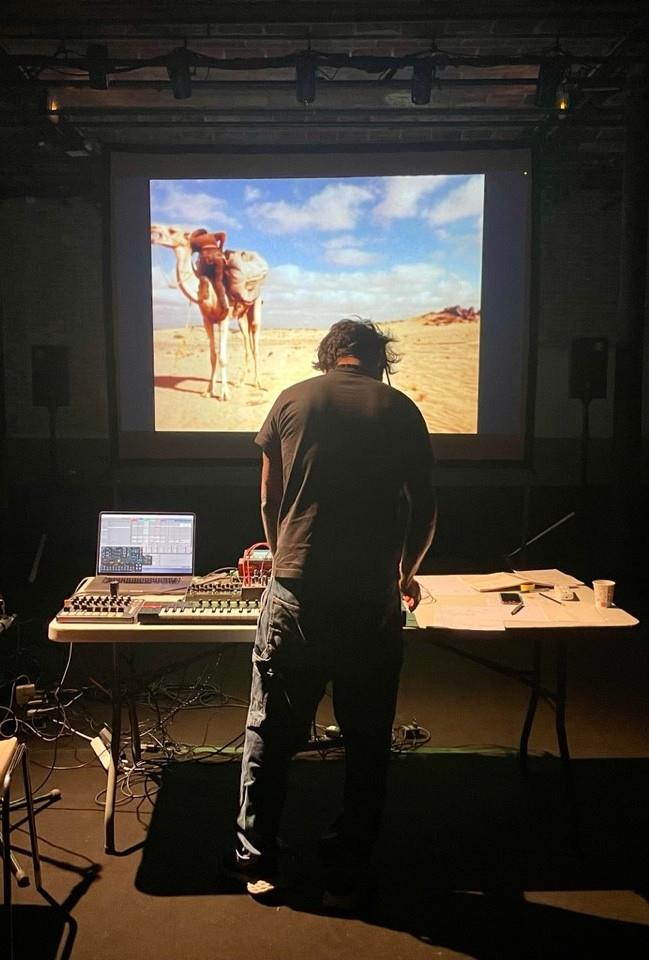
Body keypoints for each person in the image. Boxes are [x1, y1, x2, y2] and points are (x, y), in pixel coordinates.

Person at [230, 318, 437, 906]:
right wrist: (405, 573)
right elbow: (424, 507)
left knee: (270, 731)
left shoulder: (291, 400)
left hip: (296, 591)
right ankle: (348, 867)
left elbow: (268, 498)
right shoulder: (402, 409)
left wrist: (283, 556)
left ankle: (256, 860)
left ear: (329, 357)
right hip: (370, 597)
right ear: (378, 361)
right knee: (368, 740)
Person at [189, 228, 228, 310]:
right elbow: (223, 235)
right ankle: (223, 303)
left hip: (205, 258)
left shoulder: (194, 240)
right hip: (218, 257)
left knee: (200, 275)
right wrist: (220, 248)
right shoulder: (211, 236)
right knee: (218, 281)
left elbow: (189, 252)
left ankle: (204, 285)